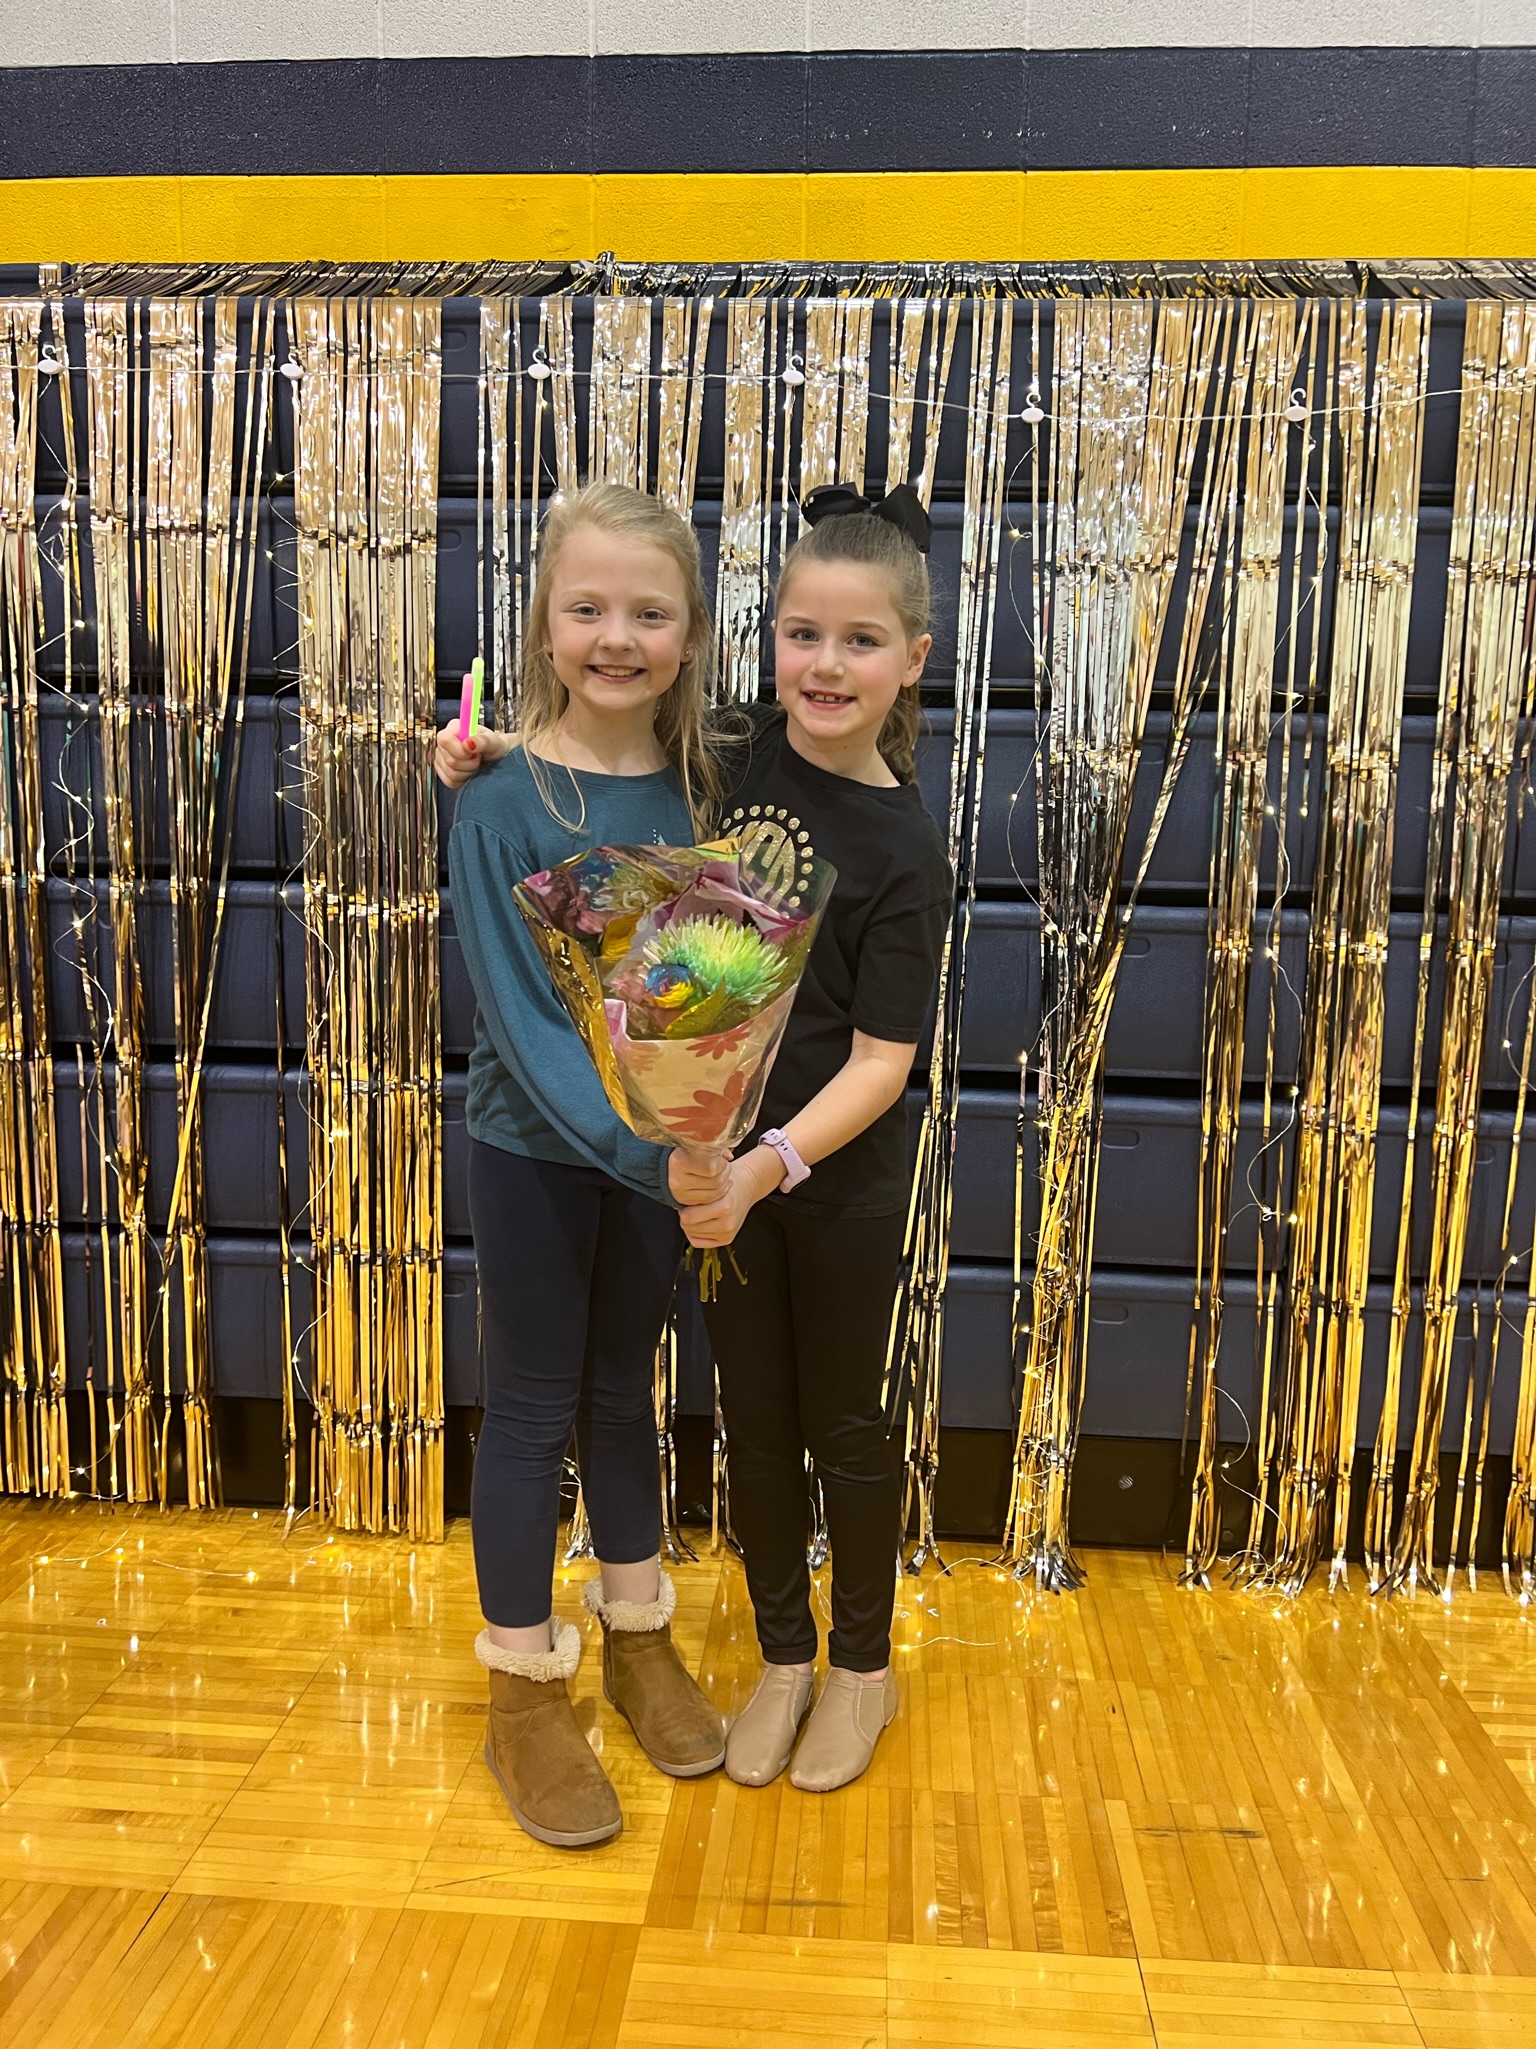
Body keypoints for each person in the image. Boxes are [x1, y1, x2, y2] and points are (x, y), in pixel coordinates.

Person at [435, 481, 729, 1851]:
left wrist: (694, 1129)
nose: (618, 636)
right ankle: (520, 1685)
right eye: (588, 608)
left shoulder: (707, 789)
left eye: (649, 613)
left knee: (625, 1393)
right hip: (540, 1154)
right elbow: (523, 1018)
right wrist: (647, 1149)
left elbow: (716, 982)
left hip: (657, 1158)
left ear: (691, 632)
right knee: (533, 1405)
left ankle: (638, 1640)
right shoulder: (498, 800)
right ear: (544, 624)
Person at [680, 484, 950, 1793]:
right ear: (771, 637)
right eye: (803, 634)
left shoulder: (905, 848)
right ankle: (782, 1655)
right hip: (718, 1174)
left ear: (913, 659)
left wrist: (766, 1164)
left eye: (859, 640)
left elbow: (882, 1065)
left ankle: (859, 1667)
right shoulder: (733, 747)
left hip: (830, 1187)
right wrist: (492, 751)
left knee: (842, 1422)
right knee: (755, 1415)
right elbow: (598, 756)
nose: (826, 665)